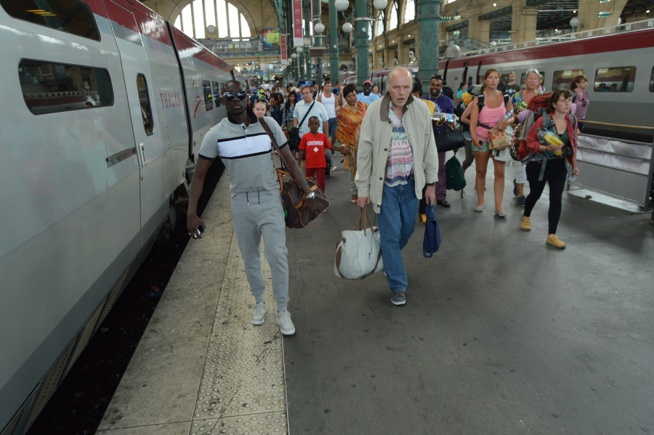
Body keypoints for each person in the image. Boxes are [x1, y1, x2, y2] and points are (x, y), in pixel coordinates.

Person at [187, 80, 320, 336]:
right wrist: (192, 213)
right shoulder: (215, 135)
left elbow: (289, 160)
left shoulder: (268, 125)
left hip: (270, 199)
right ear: (223, 101)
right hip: (241, 203)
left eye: (240, 95)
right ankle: (259, 302)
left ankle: (283, 309)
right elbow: (200, 176)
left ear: (247, 98)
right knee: (250, 258)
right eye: (230, 95)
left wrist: (308, 191)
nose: (236, 99)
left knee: (277, 255)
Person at [356, 67, 439, 306]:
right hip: (386, 187)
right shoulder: (374, 112)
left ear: (411, 87)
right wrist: (362, 189)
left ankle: (389, 258)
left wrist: (431, 183)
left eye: (405, 87)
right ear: (387, 88)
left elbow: (429, 148)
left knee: (407, 231)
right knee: (391, 236)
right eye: (396, 87)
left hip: (412, 183)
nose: (401, 93)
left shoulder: (421, 109)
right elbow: (365, 153)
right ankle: (398, 285)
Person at [521, 89, 580, 249]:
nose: (567, 103)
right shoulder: (543, 121)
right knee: (535, 194)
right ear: (554, 104)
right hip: (539, 165)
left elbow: (573, 144)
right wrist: (545, 148)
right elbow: (529, 141)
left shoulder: (572, 121)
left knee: (556, 198)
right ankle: (526, 215)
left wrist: (574, 164)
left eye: (569, 100)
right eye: (563, 100)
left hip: (559, 166)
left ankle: (551, 235)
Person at [469, 68, 514, 218]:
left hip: (499, 140)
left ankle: (498, 206)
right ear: (485, 80)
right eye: (490, 78)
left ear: (499, 80)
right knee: (481, 171)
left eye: (496, 78)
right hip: (482, 138)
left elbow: (512, 115)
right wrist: (474, 138)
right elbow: (473, 122)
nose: (493, 80)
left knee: (500, 173)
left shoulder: (505, 97)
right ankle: (480, 201)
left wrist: (506, 122)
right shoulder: (479, 99)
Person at [511, 68, 542, 206]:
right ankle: (521, 194)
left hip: (536, 136)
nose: (533, 81)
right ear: (525, 80)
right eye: (530, 78)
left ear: (539, 81)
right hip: (518, 136)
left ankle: (518, 182)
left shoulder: (542, 97)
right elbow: (508, 113)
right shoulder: (516, 96)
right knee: (519, 164)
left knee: (531, 165)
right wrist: (517, 118)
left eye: (535, 78)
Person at [298, 116, 350, 193]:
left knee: (321, 182)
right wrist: (298, 163)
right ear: (308, 125)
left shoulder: (322, 137)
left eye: (316, 124)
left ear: (319, 125)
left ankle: (321, 195)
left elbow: (330, 146)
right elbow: (301, 150)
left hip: (321, 164)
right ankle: (311, 196)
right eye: (312, 124)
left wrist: (340, 150)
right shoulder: (305, 137)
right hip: (310, 164)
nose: (314, 125)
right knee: (310, 182)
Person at [336, 84, 368, 204]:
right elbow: (341, 130)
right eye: (349, 96)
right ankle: (354, 192)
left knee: (366, 167)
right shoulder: (343, 112)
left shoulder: (363, 106)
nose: (352, 98)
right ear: (345, 97)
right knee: (354, 169)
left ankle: (366, 192)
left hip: (366, 143)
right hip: (352, 146)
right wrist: (343, 145)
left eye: (354, 94)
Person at [427, 75, 455, 210]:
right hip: (424, 138)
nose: (435, 87)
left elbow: (452, 121)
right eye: (433, 84)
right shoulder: (423, 100)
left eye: (437, 85)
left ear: (441, 87)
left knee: (440, 168)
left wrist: (441, 119)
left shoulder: (447, 102)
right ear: (429, 85)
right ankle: (423, 195)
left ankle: (441, 196)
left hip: (440, 138)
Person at [317, 81, 340, 159]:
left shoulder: (334, 96)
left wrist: (337, 114)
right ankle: (327, 150)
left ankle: (331, 147)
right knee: (326, 136)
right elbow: (318, 107)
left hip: (333, 118)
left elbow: (337, 106)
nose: (329, 88)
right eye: (327, 86)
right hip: (324, 119)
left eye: (330, 86)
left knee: (334, 135)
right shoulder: (320, 97)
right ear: (324, 87)